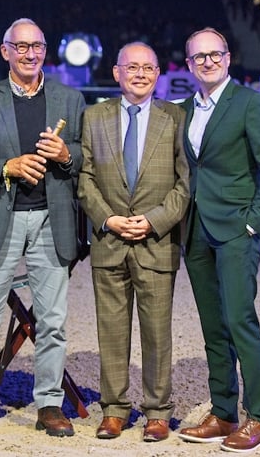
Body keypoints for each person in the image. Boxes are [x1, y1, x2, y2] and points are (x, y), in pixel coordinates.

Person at [0, 18, 85, 437]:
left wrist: (65, 154)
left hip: (51, 218)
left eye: (36, 45)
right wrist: (6, 167)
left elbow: (85, 156)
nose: (29, 53)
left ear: (46, 50)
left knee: (53, 320)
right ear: (5, 51)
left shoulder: (70, 99)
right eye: (20, 46)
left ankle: (49, 405)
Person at [175, 27, 260, 453]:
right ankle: (223, 412)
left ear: (228, 57)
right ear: (188, 64)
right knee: (212, 327)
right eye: (198, 56)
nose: (207, 61)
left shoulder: (251, 104)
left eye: (214, 54)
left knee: (240, 321)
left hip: (235, 230)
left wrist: (253, 224)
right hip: (197, 230)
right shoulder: (182, 110)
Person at [77, 42, 190, 442]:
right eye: (132, 67)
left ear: (158, 74)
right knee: (111, 329)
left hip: (156, 242)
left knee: (157, 332)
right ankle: (114, 410)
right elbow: (84, 178)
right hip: (109, 240)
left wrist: (155, 220)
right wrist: (108, 218)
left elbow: (184, 182)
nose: (140, 74)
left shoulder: (175, 117)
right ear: (117, 72)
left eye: (148, 68)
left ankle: (157, 412)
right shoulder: (93, 117)